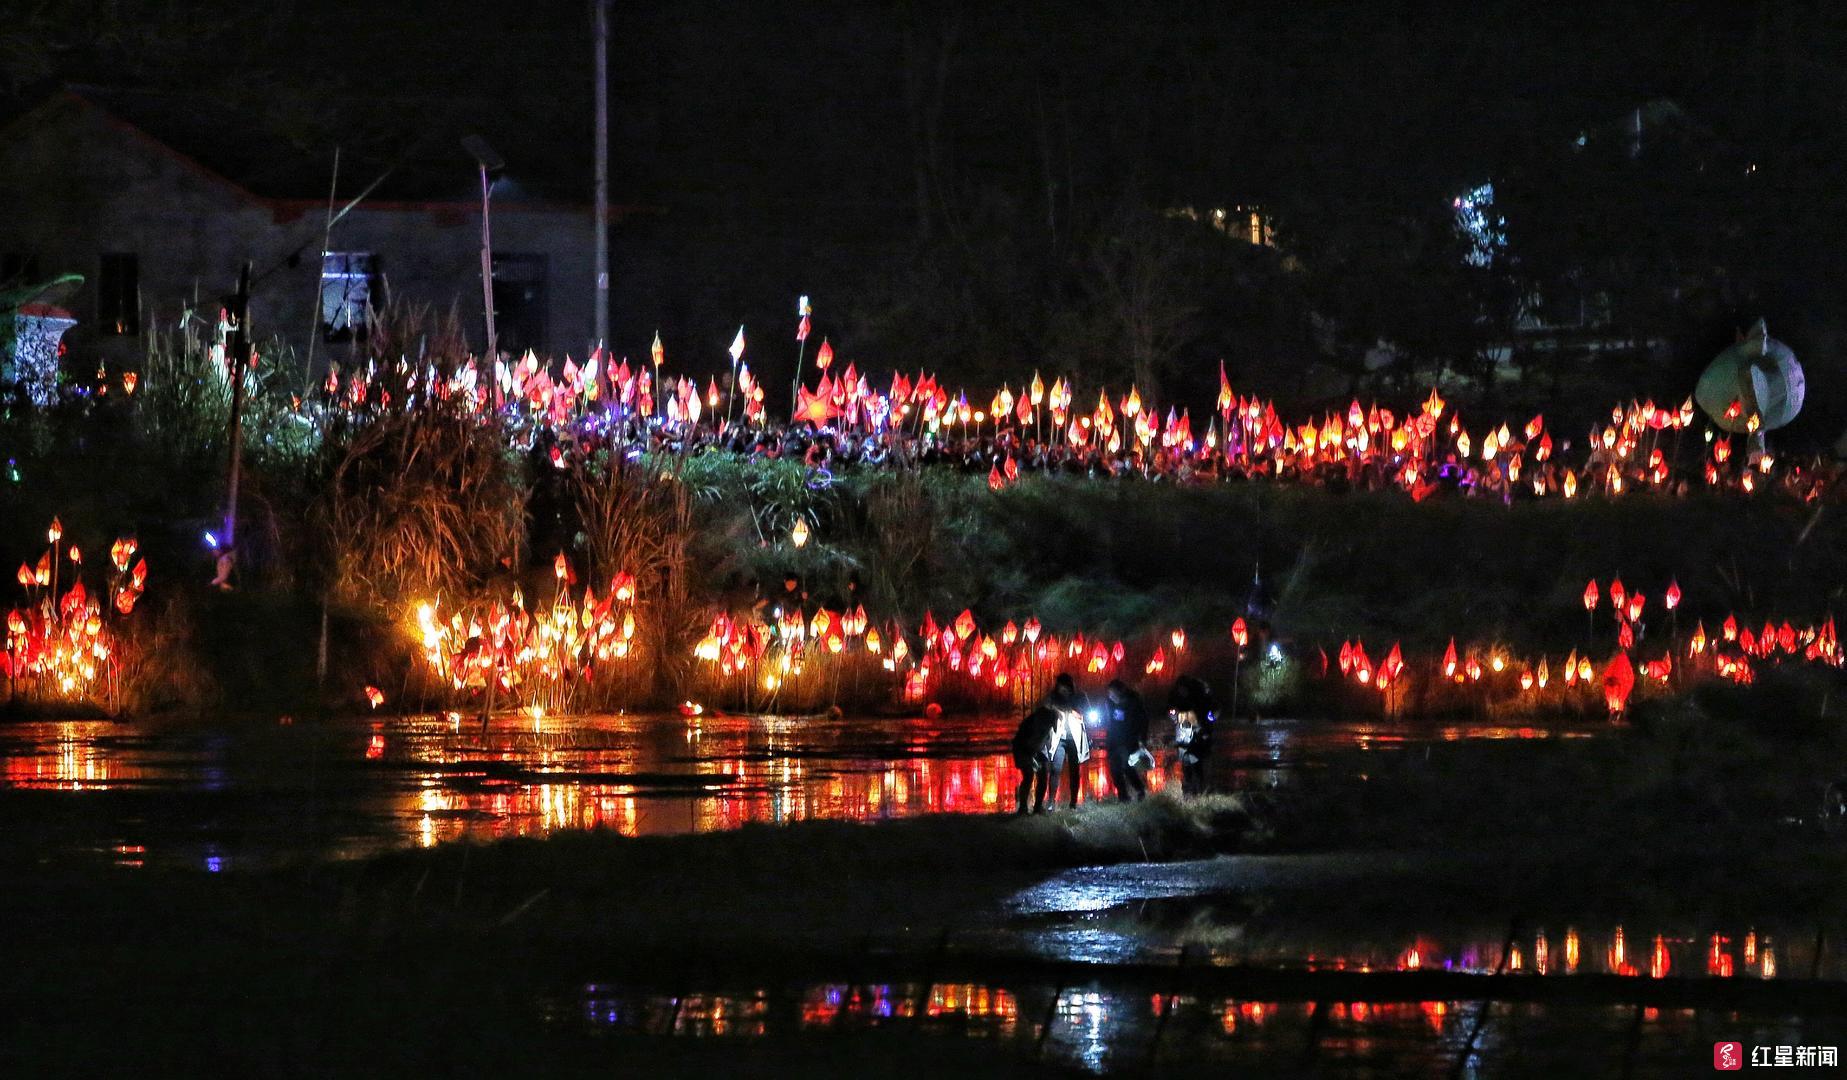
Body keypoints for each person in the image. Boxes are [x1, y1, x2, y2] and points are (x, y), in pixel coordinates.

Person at [1042, 674, 1090, 809]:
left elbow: (1087, 711)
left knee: (1074, 770)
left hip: (1075, 738)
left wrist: (1078, 712)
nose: (1063, 691)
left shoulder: (1080, 696)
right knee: (1056, 768)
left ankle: (1073, 802)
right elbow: (1046, 707)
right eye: (1061, 689)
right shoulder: (1053, 697)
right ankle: (1051, 801)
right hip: (1059, 738)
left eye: (1065, 689)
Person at [1101, 679, 1151, 802]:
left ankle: (1140, 790)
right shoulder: (1110, 703)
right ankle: (1123, 796)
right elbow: (1110, 722)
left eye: (1113, 694)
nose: (1111, 696)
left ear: (1120, 692)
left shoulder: (1133, 702)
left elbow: (1143, 721)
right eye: (1109, 694)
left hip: (1129, 740)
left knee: (1128, 767)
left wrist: (1142, 739)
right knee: (1114, 769)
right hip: (1114, 741)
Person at [1168, 675, 1216, 796]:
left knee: (1197, 763)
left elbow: (1212, 712)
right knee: (1186, 763)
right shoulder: (1178, 699)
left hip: (1198, 735)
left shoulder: (1200, 699)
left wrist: (1207, 723)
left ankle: (1200, 789)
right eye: (1179, 690)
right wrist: (1173, 715)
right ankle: (1189, 789)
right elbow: (1173, 712)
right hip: (1184, 735)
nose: (1181, 692)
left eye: (1183, 689)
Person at [1011, 705, 1061, 814]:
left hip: (1037, 749)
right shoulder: (1034, 723)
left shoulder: (1046, 721)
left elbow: (1044, 741)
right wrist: (1032, 756)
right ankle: (1023, 807)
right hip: (1023, 749)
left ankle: (1037, 807)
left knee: (1042, 776)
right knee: (1028, 776)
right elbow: (1030, 742)